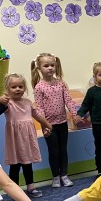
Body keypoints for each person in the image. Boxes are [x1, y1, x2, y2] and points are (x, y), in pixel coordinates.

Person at [0, 72, 52, 197]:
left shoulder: (28, 102)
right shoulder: (8, 103)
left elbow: (37, 115)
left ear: (24, 88)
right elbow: (0, 105)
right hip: (15, 139)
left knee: (27, 163)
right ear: (7, 89)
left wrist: (47, 125)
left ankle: (31, 187)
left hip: (27, 139)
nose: (17, 89)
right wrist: (0, 100)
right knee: (15, 165)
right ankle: (14, 190)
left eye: (20, 86)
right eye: (13, 87)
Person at [31, 52, 78, 189]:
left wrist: (74, 114)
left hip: (62, 122)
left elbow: (68, 100)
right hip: (49, 125)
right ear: (39, 68)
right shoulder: (39, 87)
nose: (50, 68)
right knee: (53, 151)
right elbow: (39, 107)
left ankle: (64, 175)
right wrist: (44, 125)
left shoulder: (61, 84)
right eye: (46, 66)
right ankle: (55, 177)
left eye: (52, 65)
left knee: (63, 150)